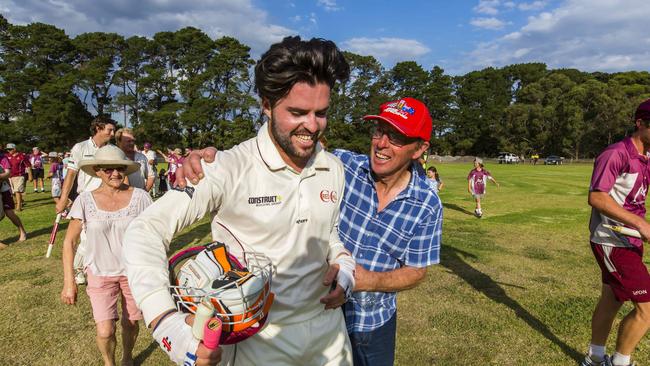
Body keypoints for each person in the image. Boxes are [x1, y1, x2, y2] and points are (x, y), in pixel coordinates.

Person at [122, 36, 354, 366]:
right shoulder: (227, 167)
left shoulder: (333, 167)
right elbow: (145, 229)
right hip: (257, 341)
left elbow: (327, 235)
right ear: (266, 104)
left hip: (330, 336)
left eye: (321, 113)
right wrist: (167, 324)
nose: (312, 126)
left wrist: (344, 267)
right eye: (298, 112)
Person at [179, 97, 443, 366]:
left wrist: (367, 280)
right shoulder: (341, 165)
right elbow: (279, 147)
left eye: (396, 137)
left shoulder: (427, 204)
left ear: (419, 148)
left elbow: (417, 270)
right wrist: (213, 158)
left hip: (372, 322)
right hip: (316, 313)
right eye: (379, 131)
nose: (381, 143)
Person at [60, 145, 150, 366]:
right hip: (100, 273)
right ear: (98, 171)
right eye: (108, 169)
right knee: (105, 329)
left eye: (119, 168)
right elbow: (69, 242)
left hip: (133, 273)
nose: (115, 174)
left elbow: (154, 235)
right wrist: (68, 282)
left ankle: (127, 358)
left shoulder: (140, 197)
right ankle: (109, 363)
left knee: (131, 323)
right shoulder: (85, 200)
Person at [580, 99, 650, 366]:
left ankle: (595, 358)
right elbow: (597, 198)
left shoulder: (646, 156)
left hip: (629, 239)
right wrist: (640, 224)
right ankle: (619, 362)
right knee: (647, 310)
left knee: (611, 299)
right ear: (640, 124)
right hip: (613, 239)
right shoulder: (616, 153)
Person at [57, 116, 117, 285]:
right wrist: (63, 199)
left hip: (108, 197)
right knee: (86, 239)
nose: (112, 134)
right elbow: (71, 175)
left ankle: (98, 266)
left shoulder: (112, 149)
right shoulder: (80, 147)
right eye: (109, 130)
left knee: (104, 235)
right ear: (98, 128)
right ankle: (78, 269)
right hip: (87, 198)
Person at [0, 149, 27, 248]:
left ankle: (22, 231)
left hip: (4, 187)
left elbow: (8, 173)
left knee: (9, 213)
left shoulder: (3, 158)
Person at [6, 143, 31, 211]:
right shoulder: (7, 156)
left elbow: (28, 166)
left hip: (19, 176)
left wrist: (30, 175)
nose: (8, 151)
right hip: (9, 176)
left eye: (10, 149)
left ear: (14, 149)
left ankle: (19, 206)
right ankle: (20, 201)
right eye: (7, 149)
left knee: (17, 191)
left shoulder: (22, 156)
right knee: (12, 192)